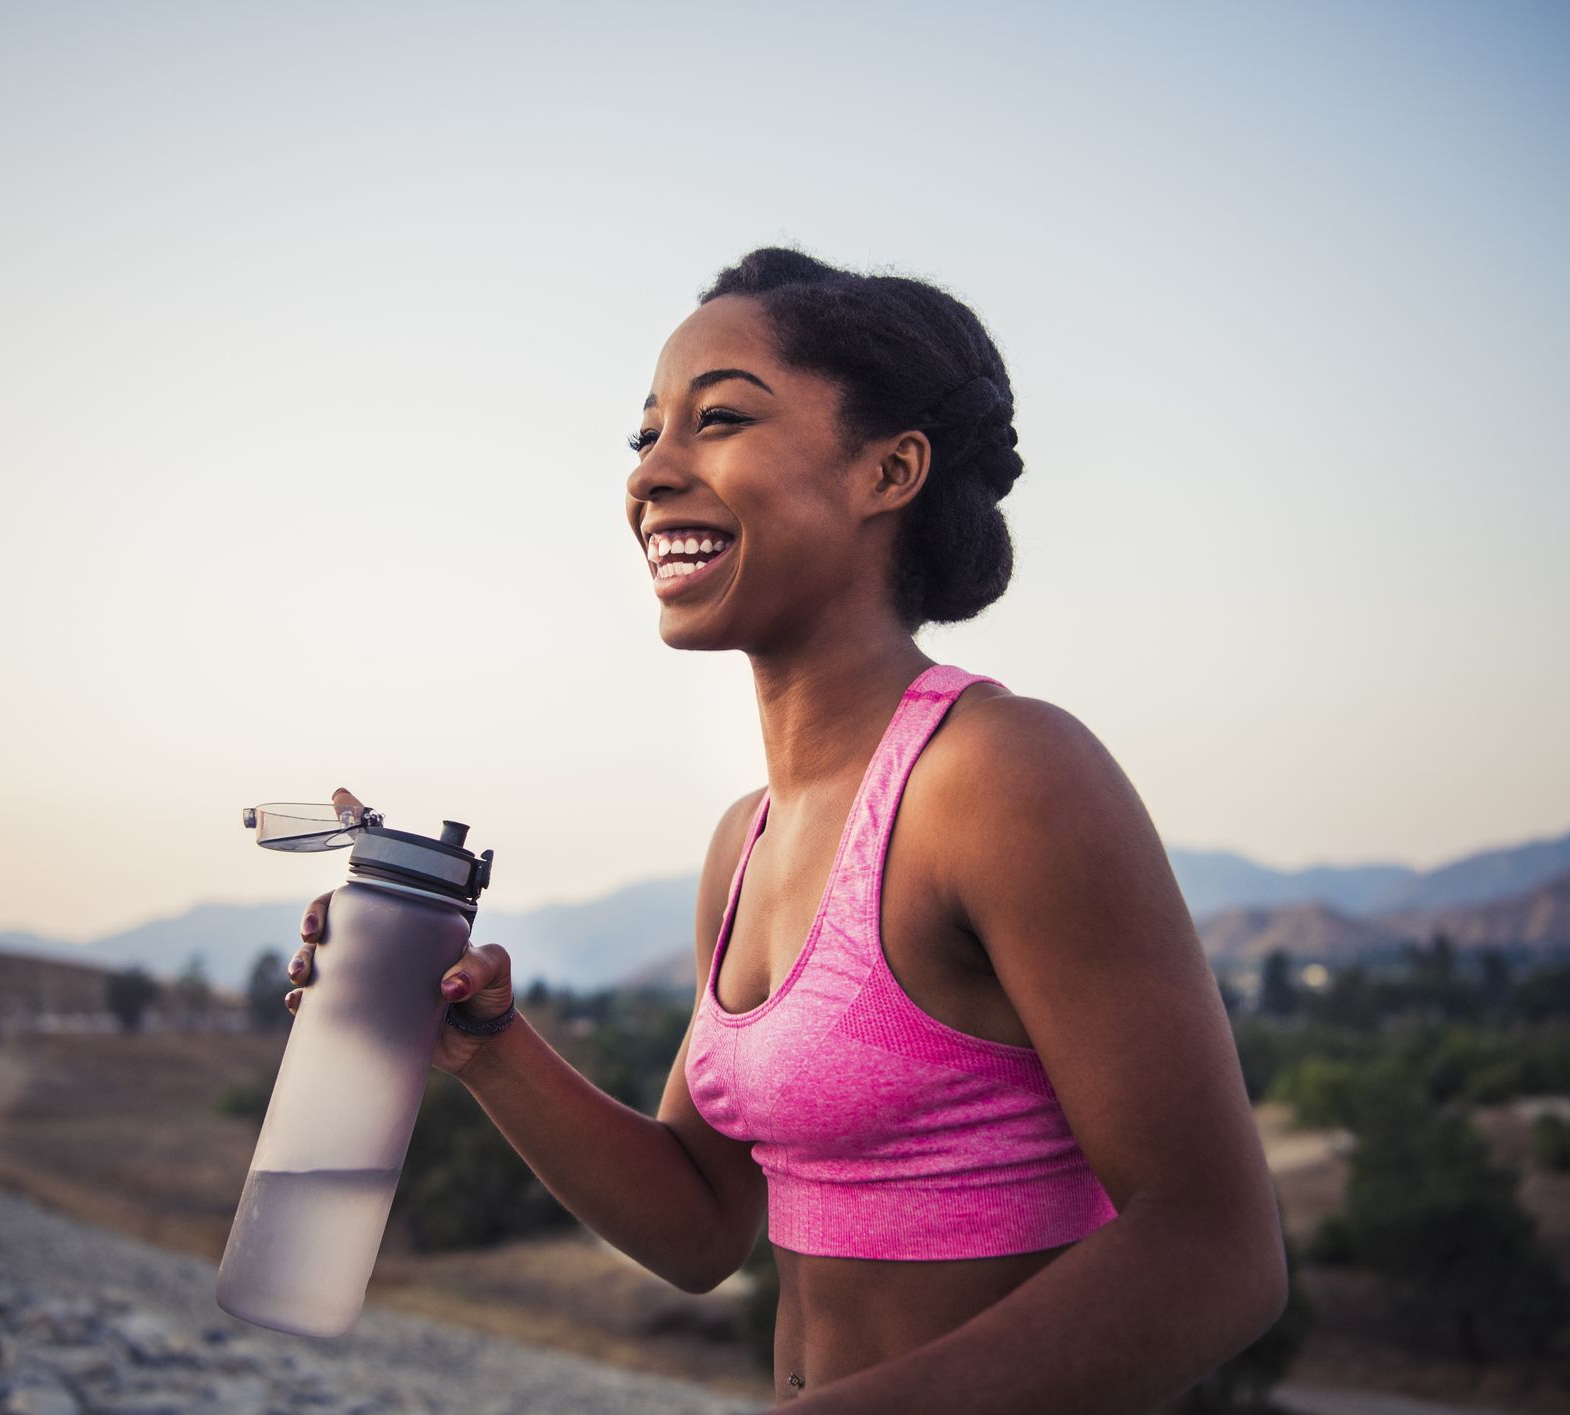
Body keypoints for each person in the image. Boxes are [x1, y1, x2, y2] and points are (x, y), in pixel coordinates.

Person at [286, 246, 1287, 1411]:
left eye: (715, 420)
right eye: (643, 436)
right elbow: (702, 1223)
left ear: (889, 470)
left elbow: (1218, 1253)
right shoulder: (744, 841)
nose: (651, 473)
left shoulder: (1002, 775)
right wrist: (487, 1048)